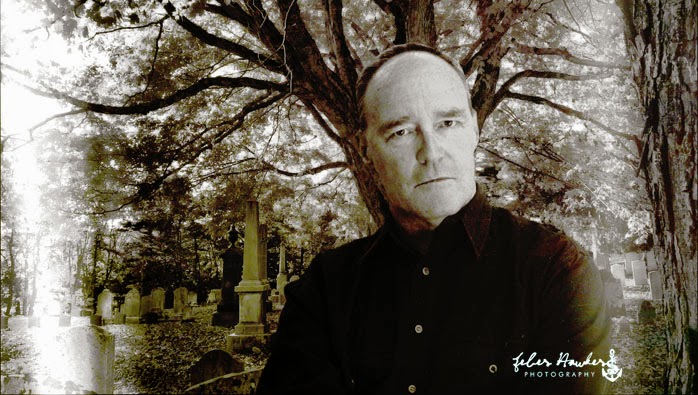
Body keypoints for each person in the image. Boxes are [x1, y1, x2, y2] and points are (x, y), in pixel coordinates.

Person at [257, 44, 610, 394]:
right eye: (401, 132)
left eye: (447, 123)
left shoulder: (555, 270)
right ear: (365, 149)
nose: (432, 152)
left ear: (474, 129)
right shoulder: (325, 290)